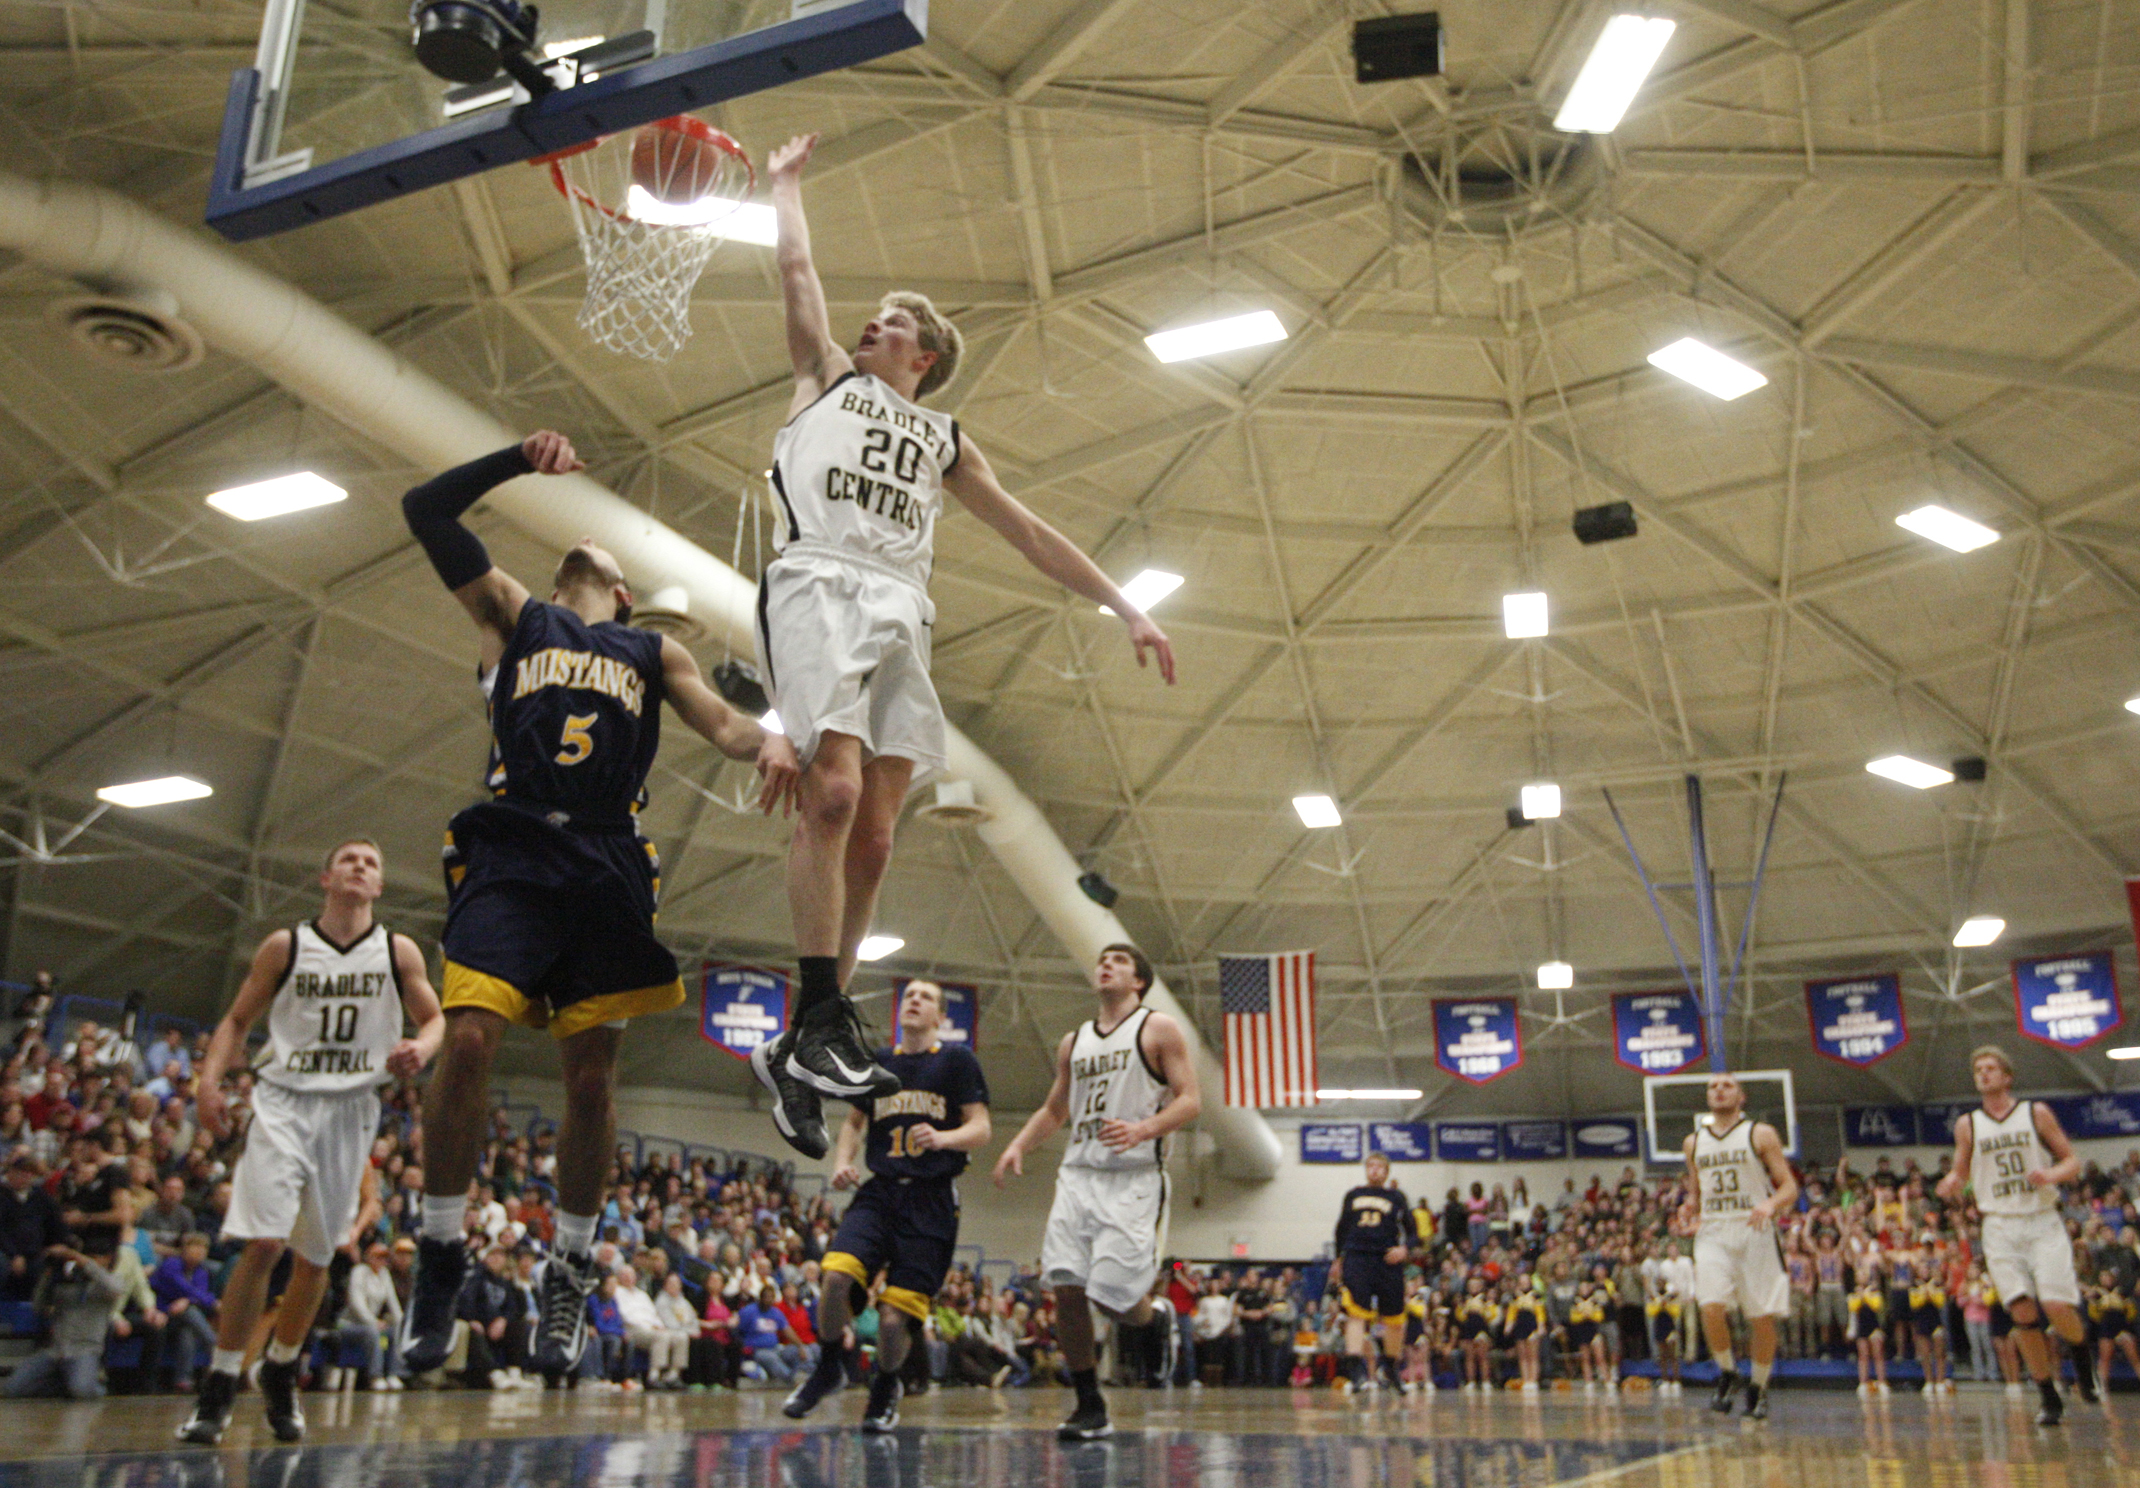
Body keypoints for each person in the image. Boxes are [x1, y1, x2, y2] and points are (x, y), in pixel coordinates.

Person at [748, 132, 1178, 1156]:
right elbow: (798, 272)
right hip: (818, 578)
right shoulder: (823, 380)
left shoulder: (943, 438)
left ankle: (803, 1041)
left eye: (890, 322)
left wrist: (1126, 606)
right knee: (836, 796)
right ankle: (821, 1015)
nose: (871, 323)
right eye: (874, 315)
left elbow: (1029, 533)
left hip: (902, 605)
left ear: (923, 355)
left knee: (884, 833)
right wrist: (784, 187)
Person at [396, 429, 796, 1380]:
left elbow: (730, 727)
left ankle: (571, 1269)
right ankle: (442, 1252)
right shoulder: (511, 615)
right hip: (514, 842)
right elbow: (425, 510)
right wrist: (510, 460)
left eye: (611, 563)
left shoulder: (652, 650)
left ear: (623, 594)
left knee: (589, 1082)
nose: (593, 554)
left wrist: (776, 740)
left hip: (609, 855)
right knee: (468, 1041)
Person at [177, 838, 443, 1445]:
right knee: (264, 1243)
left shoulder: (397, 950)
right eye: (349, 859)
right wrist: (209, 1082)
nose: (359, 867)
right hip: (283, 1100)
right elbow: (237, 1020)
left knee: (317, 1257)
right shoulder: (285, 945)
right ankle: (219, 1384)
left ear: (378, 887)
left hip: (351, 1108)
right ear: (327, 877)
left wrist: (421, 1050)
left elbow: (436, 1019)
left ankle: (281, 1367)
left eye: (372, 863)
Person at [994, 945, 1200, 1439]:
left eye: (1120, 961)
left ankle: (1152, 1319)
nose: (1105, 964)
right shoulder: (1074, 1041)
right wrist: (1018, 1145)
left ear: (1139, 981)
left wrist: (1143, 1129)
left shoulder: (1158, 1029)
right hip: (1079, 1174)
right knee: (1065, 1285)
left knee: (1114, 1300)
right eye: (1102, 959)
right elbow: (1054, 1109)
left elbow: (1191, 1099)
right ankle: (1089, 1403)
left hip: (1132, 1177)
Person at [782, 978, 989, 1430]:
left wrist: (945, 1137)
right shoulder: (877, 1063)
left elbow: (981, 1128)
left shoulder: (956, 1061)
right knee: (836, 1276)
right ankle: (830, 1365)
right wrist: (841, 1160)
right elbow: (855, 1123)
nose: (915, 1000)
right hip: (881, 1190)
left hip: (932, 1198)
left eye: (926, 997)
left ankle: (886, 1384)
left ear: (940, 1018)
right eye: (910, 994)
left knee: (896, 1320)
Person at [1935, 1043, 2097, 1424]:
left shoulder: (2035, 1112)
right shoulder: (1968, 1124)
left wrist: (2051, 1175)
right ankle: (2047, 1396)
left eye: (1991, 1068)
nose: (1984, 1074)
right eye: (1979, 1070)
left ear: (2007, 1076)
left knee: (2056, 1305)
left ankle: (2080, 1359)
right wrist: (1951, 1183)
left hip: (2041, 1219)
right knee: (2022, 1312)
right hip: (1999, 1225)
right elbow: (1960, 1171)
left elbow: (2072, 1160)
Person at [1682, 1073, 1798, 1420]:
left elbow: (1789, 1187)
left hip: (1753, 1228)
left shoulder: (1759, 1133)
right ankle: (1728, 1372)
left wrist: (1770, 1204)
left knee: (1760, 1317)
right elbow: (1695, 1193)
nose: (1718, 1090)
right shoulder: (1693, 1142)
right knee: (1710, 1305)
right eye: (1712, 1086)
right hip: (1714, 1230)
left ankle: (1759, 1387)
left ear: (1741, 1096)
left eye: (1726, 1085)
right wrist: (1688, 1208)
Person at [1333, 1150, 1419, 1393]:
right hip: (1357, 1258)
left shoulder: (1397, 1197)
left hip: (1387, 1260)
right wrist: (1338, 1259)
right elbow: (1340, 1230)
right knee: (1356, 1313)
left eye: (1380, 1167)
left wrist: (1404, 1249)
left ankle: (1390, 1367)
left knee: (1395, 1320)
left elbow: (1413, 1233)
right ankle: (1355, 1368)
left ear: (1387, 1171)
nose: (1375, 1170)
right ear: (1366, 1169)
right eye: (1370, 1166)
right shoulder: (1353, 1195)